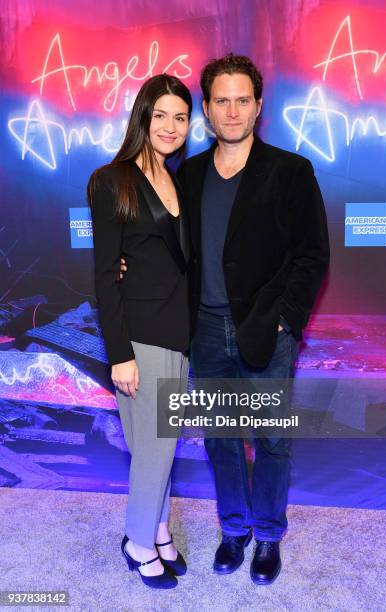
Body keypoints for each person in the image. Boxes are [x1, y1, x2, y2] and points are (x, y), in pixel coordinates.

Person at [121, 53, 329, 586]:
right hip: (205, 331)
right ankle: (233, 531)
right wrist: (127, 261)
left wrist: (284, 318)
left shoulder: (291, 171)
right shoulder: (185, 174)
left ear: (258, 107)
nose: (232, 112)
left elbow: (312, 256)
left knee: (271, 441)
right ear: (207, 113)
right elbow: (163, 244)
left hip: (266, 330)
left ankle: (268, 537)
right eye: (221, 101)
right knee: (220, 438)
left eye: (243, 100)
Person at [87, 74, 192, 590]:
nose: (171, 127)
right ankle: (136, 540)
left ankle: (159, 529)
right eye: (161, 115)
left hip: (181, 332)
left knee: (164, 444)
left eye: (181, 116)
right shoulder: (113, 180)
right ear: (142, 118)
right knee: (153, 444)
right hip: (141, 335)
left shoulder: (185, 179)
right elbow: (106, 275)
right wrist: (120, 353)